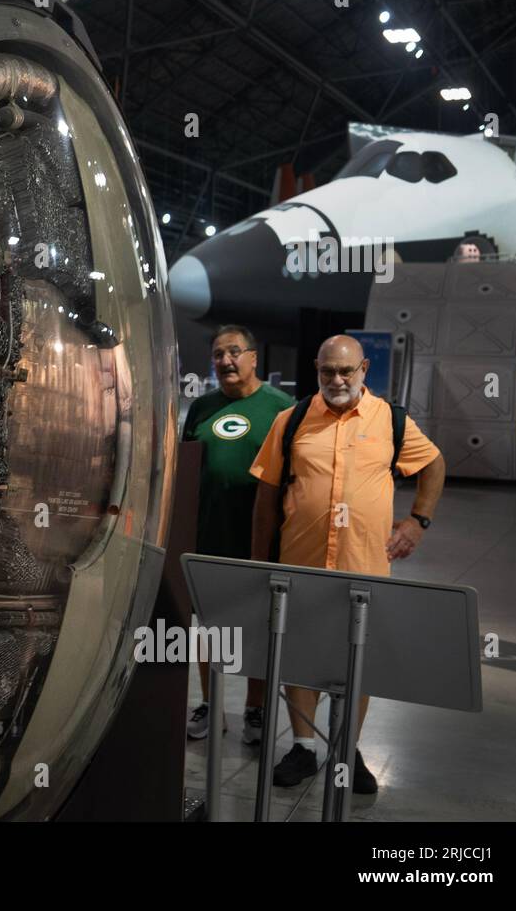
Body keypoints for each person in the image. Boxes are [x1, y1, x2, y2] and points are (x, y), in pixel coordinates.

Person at [249, 335, 446, 794]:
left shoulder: (391, 420)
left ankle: (346, 750)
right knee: (299, 655)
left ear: (364, 370)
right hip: (302, 563)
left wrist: (418, 521)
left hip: (364, 566)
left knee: (358, 661)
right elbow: (266, 495)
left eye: (346, 372)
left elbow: (434, 465)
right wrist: (259, 560)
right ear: (317, 369)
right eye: (327, 372)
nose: (337, 380)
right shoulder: (292, 419)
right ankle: (303, 746)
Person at [183, 325, 293, 743]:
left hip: (263, 540)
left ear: (253, 357)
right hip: (209, 533)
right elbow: (188, 467)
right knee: (210, 627)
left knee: (260, 625)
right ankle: (212, 705)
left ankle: (256, 709)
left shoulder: (282, 409)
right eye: (217, 355)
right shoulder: (201, 408)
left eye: (233, 352)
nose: (225, 361)